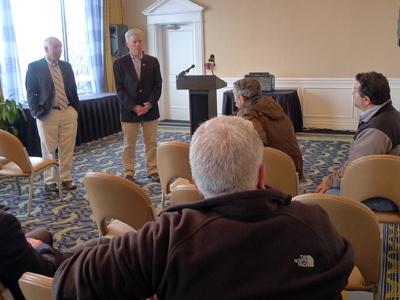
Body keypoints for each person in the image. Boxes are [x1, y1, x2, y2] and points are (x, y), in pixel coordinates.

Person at [52, 116, 354, 300]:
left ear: (195, 181)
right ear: (261, 174)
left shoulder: (165, 239)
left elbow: (67, 283)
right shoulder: (314, 223)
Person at [315, 71, 400, 211]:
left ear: (366, 100)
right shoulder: (389, 114)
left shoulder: (376, 131)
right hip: (389, 182)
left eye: (354, 90)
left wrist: (329, 181)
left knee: (324, 199)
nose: (352, 93)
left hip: (387, 195)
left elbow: (354, 169)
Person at [26, 37, 80, 191]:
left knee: (67, 147)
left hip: (68, 111)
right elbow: (31, 93)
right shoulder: (35, 67)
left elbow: (73, 89)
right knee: (48, 149)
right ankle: (50, 181)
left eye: (60, 47)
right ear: (46, 49)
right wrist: (36, 113)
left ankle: (66, 178)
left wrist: (75, 109)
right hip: (47, 113)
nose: (59, 50)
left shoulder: (66, 66)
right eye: (55, 47)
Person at [113, 28, 162, 183]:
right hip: (129, 111)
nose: (137, 45)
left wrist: (150, 103)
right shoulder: (119, 64)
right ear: (127, 44)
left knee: (151, 142)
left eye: (140, 41)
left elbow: (158, 85)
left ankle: (153, 170)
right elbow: (119, 89)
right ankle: (129, 172)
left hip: (150, 109)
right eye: (134, 42)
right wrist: (134, 107)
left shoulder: (153, 61)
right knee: (129, 144)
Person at [234, 78, 304, 179]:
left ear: (241, 98)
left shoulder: (247, 113)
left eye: (235, 96)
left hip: (275, 171)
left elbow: (258, 143)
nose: (234, 100)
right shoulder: (270, 104)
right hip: (294, 166)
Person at [0, 210, 63, 300]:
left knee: (43, 233)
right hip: (27, 288)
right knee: (88, 251)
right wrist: (41, 247)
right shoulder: (4, 221)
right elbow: (45, 274)